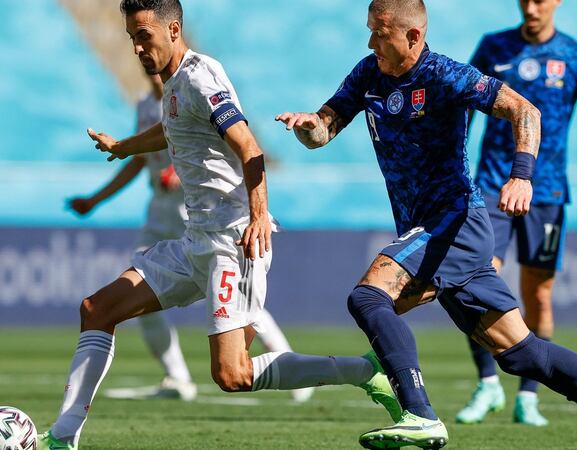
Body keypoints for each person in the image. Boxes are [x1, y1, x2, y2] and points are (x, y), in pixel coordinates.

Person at [275, 1, 577, 449]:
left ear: (413, 37)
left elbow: (527, 113)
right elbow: (324, 131)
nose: (370, 42)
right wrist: (307, 126)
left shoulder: (444, 75)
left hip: (454, 221)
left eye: (379, 33)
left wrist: (521, 175)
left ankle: (418, 413)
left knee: (368, 296)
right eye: (369, 32)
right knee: (522, 354)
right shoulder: (368, 73)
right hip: (434, 231)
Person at [38, 1, 400, 448]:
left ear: (173, 30)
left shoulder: (200, 76)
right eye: (131, 36)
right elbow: (172, 128)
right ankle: (62, 437)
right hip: (196, 243)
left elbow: (249, 147)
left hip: (234, 242)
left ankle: (366, 371)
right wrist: (125, 147)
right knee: (97, 310)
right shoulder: (171, 86)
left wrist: (259, 216)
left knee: (232, 375)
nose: (136, 47)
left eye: (143, 35)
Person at [67, 72, 313, 404]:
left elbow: (221, 158)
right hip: (159, 212)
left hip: (196, 213)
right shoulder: (146, 105)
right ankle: (177, 376)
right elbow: (141, 160)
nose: (150, 67)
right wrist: (97, 199)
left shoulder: (192, 93)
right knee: (135, 291)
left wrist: (180, 181)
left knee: (235, 295)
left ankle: (286, 360)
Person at [455, 0, 577, 427]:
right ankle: (488, 382)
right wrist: (454, 166)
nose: (531, 7)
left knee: (538, 295)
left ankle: (529, 396)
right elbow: (465, 107)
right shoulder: (493, 47)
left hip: (546, 193)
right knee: (475, 279)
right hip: (492, 184)